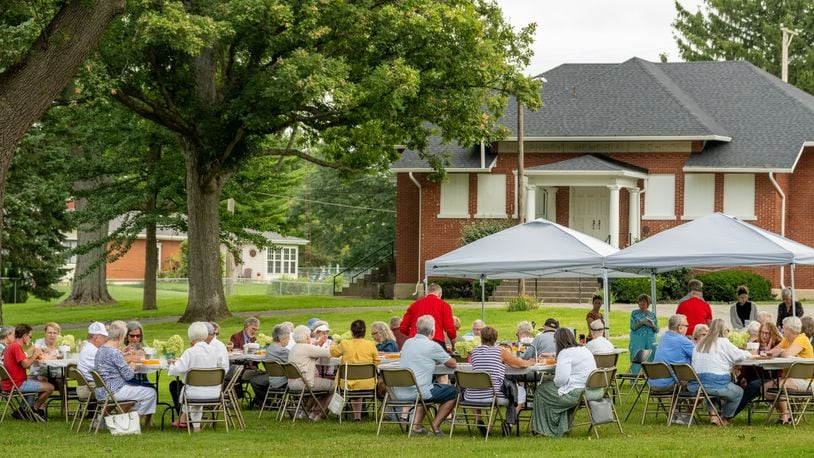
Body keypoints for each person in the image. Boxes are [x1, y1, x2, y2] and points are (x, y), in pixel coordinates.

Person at [395, 315, 458, 435]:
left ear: (417, 329)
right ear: (433, 331)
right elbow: (452, 364)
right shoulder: (432, 346)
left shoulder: (408, 343)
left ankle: (416, 427)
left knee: (429, 388)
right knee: (454, 392)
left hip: (400, 390)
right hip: (419, 391)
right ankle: (435, 427)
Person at [531, 328, 599, 437]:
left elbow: (560, 380)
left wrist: (551, 378)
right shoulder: (584, 349)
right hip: (590, 390)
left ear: (559, 341)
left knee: (541, 390)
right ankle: (560, 428)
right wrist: (553, 355)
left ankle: (545, 429)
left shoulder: (565, 353)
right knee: (551, 389)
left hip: (575, 393)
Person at [691, 319, 754, 425]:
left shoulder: (700, 343)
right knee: (738, 392)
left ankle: (714, 416)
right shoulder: (723, 342)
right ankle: (725, 418)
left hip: (697, 384)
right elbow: (739, 355)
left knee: (708, 392)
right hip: (717, 383)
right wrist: (750, 353)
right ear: (724, 331)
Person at [94, 321, 156, 427]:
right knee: (151, 392)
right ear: (120, 336)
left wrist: (123, 354)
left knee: (142, 392)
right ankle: (129, 421)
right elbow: (128, 375)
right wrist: (132, 365)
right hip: (114, 390)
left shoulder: (102, 350)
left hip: (101, 390)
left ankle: (124, 419)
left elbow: (111, 363)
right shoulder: (115, 352)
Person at [168, 322, 227, 431]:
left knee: (188, 389)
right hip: (214, 392)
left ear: (191, 337)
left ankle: (193, 425)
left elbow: (177, 369)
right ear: (205, 335)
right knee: (193, 389)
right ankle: (194, 425)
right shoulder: (215, 351)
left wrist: (171, 364)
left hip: (193, 393)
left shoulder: (190, 352)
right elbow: (222, 368)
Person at [465, 326, 533, 420]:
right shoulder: (500, 351)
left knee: (479, 386)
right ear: (495, 339)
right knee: (521, 391)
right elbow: (519, 364)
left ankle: (478, 419)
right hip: (493, 395)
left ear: (481, 338)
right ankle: (509, 422)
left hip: (471, 395)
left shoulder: (474, 352)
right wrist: (530, 362)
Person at [765, 316, 814, 424]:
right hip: (790, 378)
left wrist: (782, 351)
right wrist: (782, 350)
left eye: (783, 327)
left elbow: (787, 354)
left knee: (781, 386)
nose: (782, 329)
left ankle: (784, 417)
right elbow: (772, 352)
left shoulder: (801, 339)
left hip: (807, 381)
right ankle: (786, 413)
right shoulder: (787, 340)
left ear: (789, 329)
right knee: (765, 389)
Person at [329, 320, 380, 421]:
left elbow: (333, 353)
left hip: (347, 383)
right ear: (364, 332)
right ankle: (358, 416)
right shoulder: (370, 345)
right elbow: (377, 362)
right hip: (368, 383)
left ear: (352, 332)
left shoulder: (344, 344)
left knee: (354, 384)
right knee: (360, 383)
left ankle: (357, 416)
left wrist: (332, 344)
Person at [1, 324, 54, 419]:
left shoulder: (11, 346)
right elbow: (26, 365)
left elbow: (21, 362)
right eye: (30, 336)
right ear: (24, 336)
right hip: (16, 384)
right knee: (50, 387)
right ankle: (35, 409)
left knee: (37, 380)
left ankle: (23, 410)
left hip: (9, 382)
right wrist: (35, 354)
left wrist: (31, 357)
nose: (30, 339)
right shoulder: (16, 347)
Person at [288, 325, 333, 420]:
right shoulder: (306, 347)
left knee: (323, 386)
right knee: (335, 385)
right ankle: (320, 415)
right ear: (307, 337)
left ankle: (311, 413)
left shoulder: (294, 348)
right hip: (305, 383)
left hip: (292, 384)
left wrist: (316, 343)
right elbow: (329, 353)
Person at [399, 283, 457, 349]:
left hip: (415, 342)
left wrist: (414, 334)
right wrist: (454, 344)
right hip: (436, 341)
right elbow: (450, 328)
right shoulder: (444, 305)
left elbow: (403, 328)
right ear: (440, 294)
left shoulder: (414, 305)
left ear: (427, 293)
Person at [249, 324, 291, 409]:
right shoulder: (283, 351)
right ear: (281, 339)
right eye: (288, 338)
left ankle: (266, 403)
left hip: (273, 377)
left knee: (255, 380)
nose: (289, 340)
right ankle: (267, 403)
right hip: (283, 379)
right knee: (256, 380)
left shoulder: (269, 348)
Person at [649, 315, 695, 390]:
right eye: (686, 326)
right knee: (700, 382)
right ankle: (699, 401)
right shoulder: (682, 340)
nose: (688, 328)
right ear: (680, 327)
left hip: (654, 383)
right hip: (671, 383)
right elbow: (699, 355)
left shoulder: (664, 337)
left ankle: (678, 401)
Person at [76, 322, 108, 404]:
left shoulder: (88, 348)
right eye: (104, 337)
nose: (106, 340)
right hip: (91, 389)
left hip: (86, 387)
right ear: (96, 337)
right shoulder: (93, 352)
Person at [629, 294, 658, 373]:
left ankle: (650, 377)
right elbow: (633, 327)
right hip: (638, 339)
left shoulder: (652, 315)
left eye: (644, 302)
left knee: (651, 358)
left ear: (648, 304)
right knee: (637, 358)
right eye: (640, 302)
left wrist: (652, 325)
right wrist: (643, 322)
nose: (642, 304)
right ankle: (634, 378)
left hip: (650, 339)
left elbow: (656, 330)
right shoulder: (634, 313)